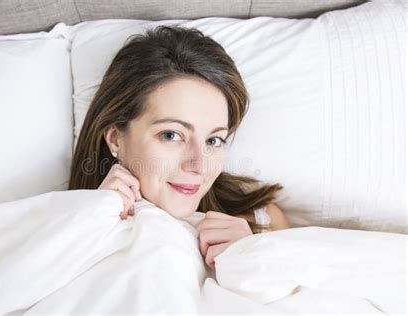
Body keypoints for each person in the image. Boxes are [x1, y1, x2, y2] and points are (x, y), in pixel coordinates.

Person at [69, 25, 290, 270]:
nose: (199, 165)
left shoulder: (261, 224)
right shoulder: (67, 227)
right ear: (115, 139)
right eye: (171, 135)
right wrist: (90, 220)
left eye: (213, 140)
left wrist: (252, 259)